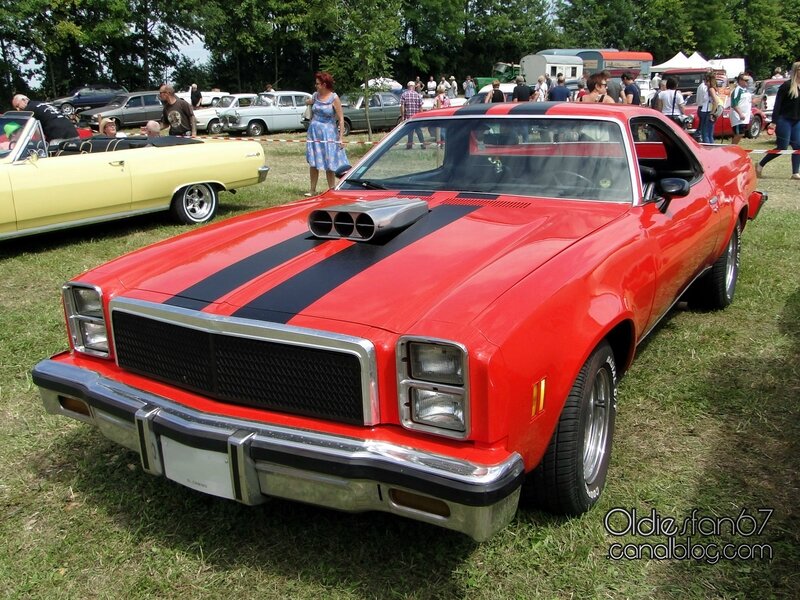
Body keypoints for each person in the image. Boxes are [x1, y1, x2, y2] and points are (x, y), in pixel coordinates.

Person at [305, 71, 348, 196]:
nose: (316, 86)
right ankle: (312, 189)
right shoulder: (315, 95)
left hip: (328, 133)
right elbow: (310, 103)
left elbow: (341, 119)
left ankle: (332, 189)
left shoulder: (334, 98)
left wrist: (340, 138)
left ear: (324, 84)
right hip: (314, 132)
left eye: (318, 83)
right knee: (313, 161)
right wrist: (307, 102)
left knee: (330, 162)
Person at [756, 61, 800, 179]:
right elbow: (777, 105)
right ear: (796, 71)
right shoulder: (786, 86)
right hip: (783, 120)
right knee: (782, 147)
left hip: (796, 121)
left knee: (798, 147)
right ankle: (760, 165)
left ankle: (795, 172)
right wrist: (774, 122)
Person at [11, 94, 78, 142]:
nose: (18, 109)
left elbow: (36, 130)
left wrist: (41, 143)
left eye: (17, 105)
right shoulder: (44, 104)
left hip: (58, 136)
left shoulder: (29, 110)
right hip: (73, 131)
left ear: (24, 100)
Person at [697, 73, 722, 144]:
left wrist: (712, 113)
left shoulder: (711, 89)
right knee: (709, 134)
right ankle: (712, 149)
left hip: (708, 112)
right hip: (707, 111)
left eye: (706, 80)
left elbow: (716, 101)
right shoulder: (713, 89)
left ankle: (708, 150)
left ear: (709, 81)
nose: (704, 82)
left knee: (705, 134)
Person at [400, 81, 426, 149]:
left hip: (408, 117)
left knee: (410, 131)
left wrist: (402, 116)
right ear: (414, 87)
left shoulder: (404, 95)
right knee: (419, 131)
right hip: (416, 117)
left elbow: (402, 106)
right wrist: (422, 116)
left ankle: (409, 145)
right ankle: (423, 145)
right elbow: (421, 107)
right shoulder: (418, 95)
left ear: (408, 87)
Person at [729, 73, 752, 145]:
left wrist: (750, 112)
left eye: (748, 80)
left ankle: (734, 148)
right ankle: (732, 148)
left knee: (741, 134)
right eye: (745, 80)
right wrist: (740, 114)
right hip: (738, 118)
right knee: (739, 134)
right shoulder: (737, 90)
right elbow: (734, 104)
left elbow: (747, 102)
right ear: (740, 80)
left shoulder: (745, 90)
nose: (747, 82)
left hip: (745, 117)